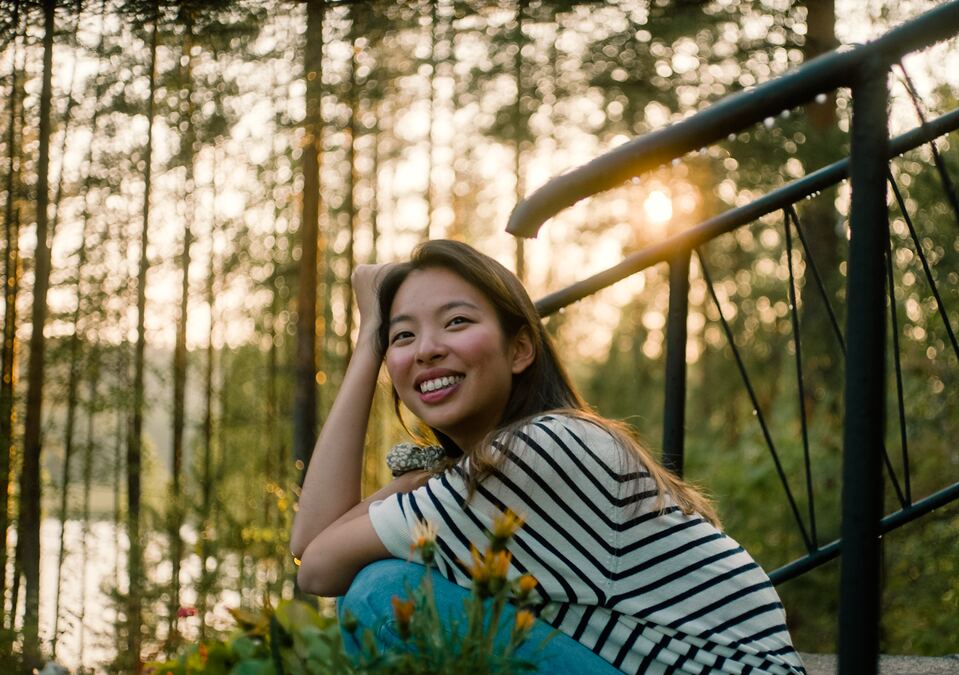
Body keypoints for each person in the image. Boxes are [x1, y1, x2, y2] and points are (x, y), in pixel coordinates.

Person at [290, 240, 806, 674]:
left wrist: (367, 344)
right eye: (401, 336)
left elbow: (317, 567)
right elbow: (310, 547)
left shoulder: (540, 449)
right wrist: (370, 350)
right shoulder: (489, 466)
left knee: (385, 594)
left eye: (456, 322)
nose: (426, 349)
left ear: (520, 349)